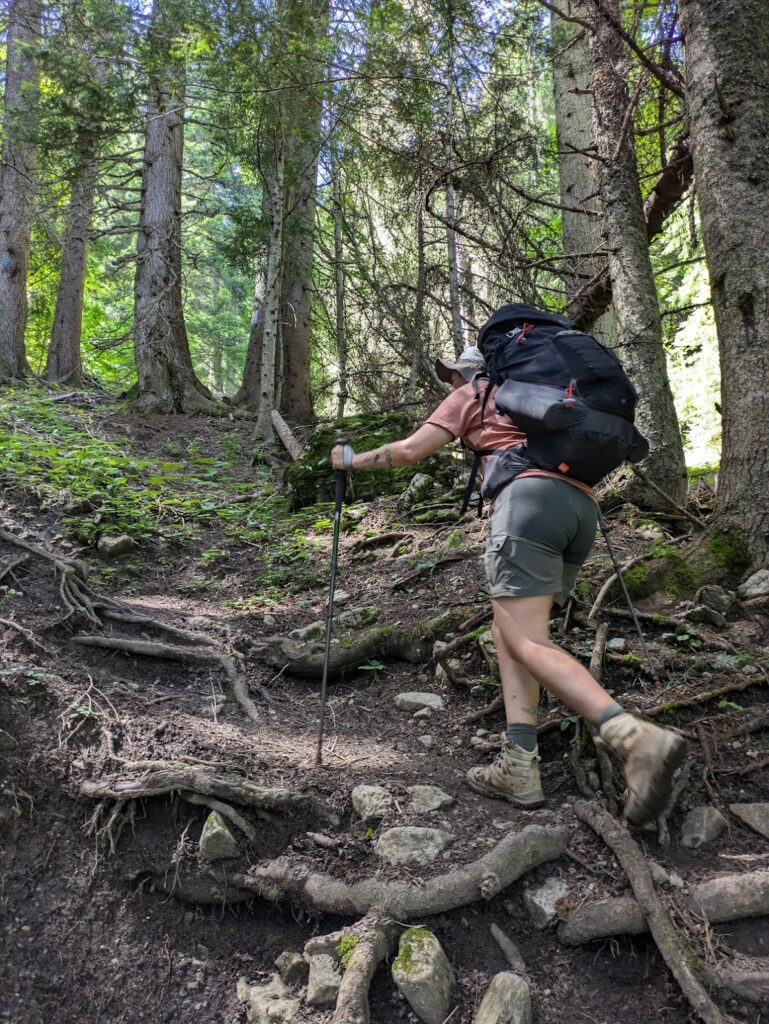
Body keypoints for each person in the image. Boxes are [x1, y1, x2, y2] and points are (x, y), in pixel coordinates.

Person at [330, 345, 685, 826]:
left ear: (471, 372)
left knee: (525, 639)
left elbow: (409, 451)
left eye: (453, 375)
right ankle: (520, 767)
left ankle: (632, 737)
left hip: (527, 505)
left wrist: (350, 459)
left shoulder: (475, 393)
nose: (450, 384)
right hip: (579, 509)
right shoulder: (544, 399)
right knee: (509, 636)